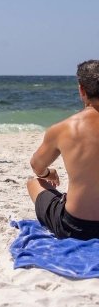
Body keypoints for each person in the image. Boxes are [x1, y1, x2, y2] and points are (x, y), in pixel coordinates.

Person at [27, 60, 99, 240]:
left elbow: (36, 165)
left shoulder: (63, 128)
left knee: (33, 182)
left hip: (75, 227)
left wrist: (48, 173)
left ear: (82, 90)